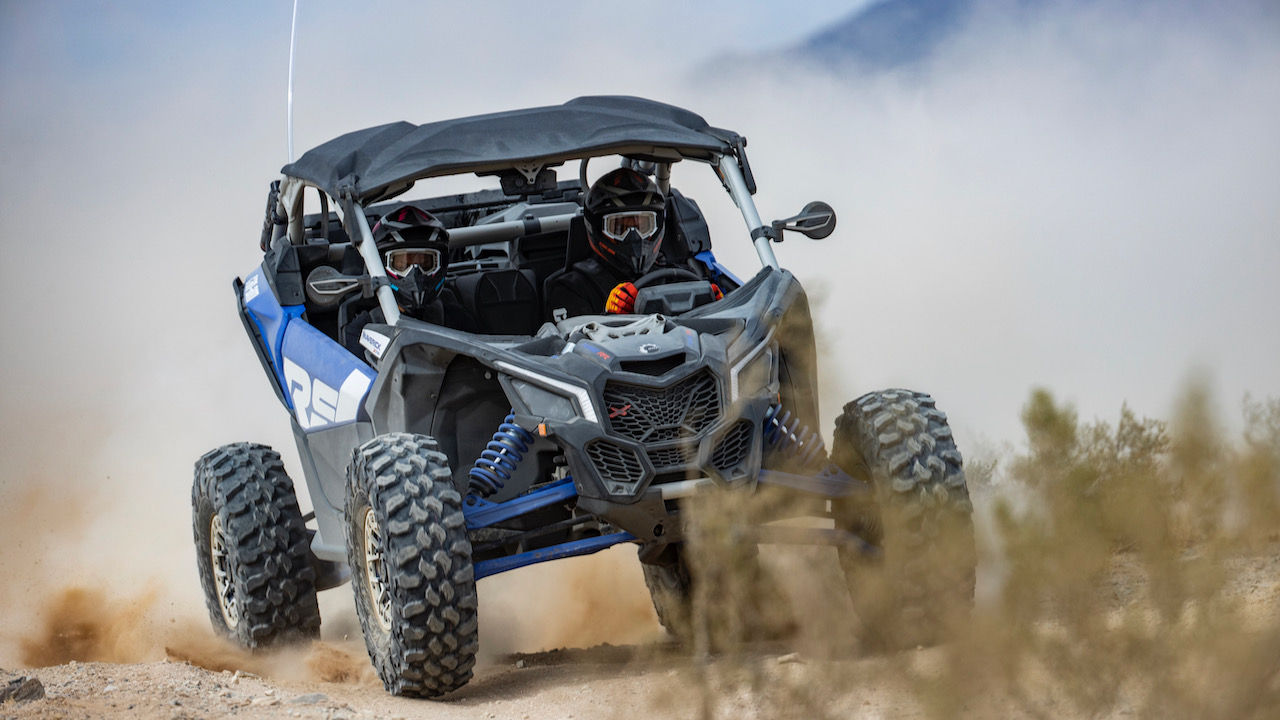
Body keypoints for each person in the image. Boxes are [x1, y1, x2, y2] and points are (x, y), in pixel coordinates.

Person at [339, 205, 474, 352]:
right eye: (402, 263)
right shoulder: (363, 330)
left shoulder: (455, 318)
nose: (415, 273)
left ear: (439, 264)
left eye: (425, 262)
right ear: (381, 264)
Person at [544, 168, 672, 320]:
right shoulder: (571, 288)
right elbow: (569, 340)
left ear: (657, 225)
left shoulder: (672, 276)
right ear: (596, 228)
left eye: (643, 226)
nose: (634, 238)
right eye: (620, 227)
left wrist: (707, 295)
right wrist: (608, 315)